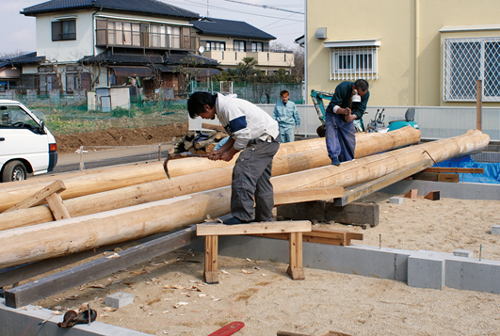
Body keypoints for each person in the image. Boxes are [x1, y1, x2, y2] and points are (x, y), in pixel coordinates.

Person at [187, 91, 280, 225]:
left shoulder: (229, 108)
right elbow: (235, 135)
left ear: (206, 107)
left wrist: (230, 153)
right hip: (269, 140)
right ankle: (265, 219)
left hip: (263, 141)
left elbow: (243, 136)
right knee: (261, 181)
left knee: (242, 172)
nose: (202, 117)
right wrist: (220, 151)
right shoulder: (223, 109)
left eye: (201, 114)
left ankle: (242, 217)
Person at [325, 79, 370, 166]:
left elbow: (360, 110)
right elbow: (332, 105)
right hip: (334, 114)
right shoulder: (343, 87)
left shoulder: (365, 94)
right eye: (359, 94)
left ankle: (348, 161)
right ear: (354, 87)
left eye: (362, 95)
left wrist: (352, 117)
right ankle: (334, 157)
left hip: (348, 115)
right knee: (332, 134)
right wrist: (343, 111)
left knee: (349, 139)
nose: (360, 96)